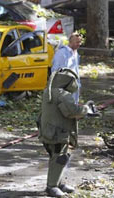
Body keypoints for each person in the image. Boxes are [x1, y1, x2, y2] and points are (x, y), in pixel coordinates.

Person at [38, 68, 100, 197]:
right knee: (60, 157)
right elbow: (71, 111)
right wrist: (86, 109)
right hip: (58, 133)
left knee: (56, 157)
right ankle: (52, 186)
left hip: (48, 131)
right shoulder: (62, 95)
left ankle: (58, 182)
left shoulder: (48, 92)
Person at [51, 33, 82, 104]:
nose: (79, 44)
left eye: (80, 42)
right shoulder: (62, 53)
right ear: (71, 42)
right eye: (77, 42)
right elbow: (56, 71)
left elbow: (76, 71)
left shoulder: (76, 53)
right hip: (65, 88)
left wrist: (79, 86)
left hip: (74, 86)